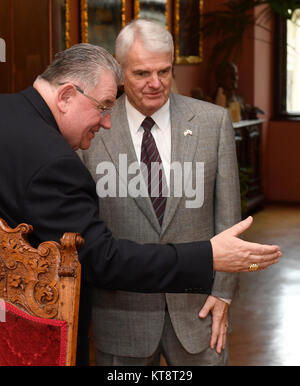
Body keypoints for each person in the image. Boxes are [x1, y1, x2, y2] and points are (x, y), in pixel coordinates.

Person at [0, 43, 280, 365]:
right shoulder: (55, 162)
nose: (107, 122)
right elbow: (102, 259)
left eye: (164, 71)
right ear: (65, 96)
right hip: (30, 339)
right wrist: (208, 255)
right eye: (104, 107)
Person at [81, 20, 276, 366]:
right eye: (142, 73)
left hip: (199, 314)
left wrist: (223, 295)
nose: (156, 83)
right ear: (120, 71)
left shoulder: (212, 123)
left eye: (164, 71)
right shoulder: (92, 130)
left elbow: (228, 222)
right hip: (122, 315)